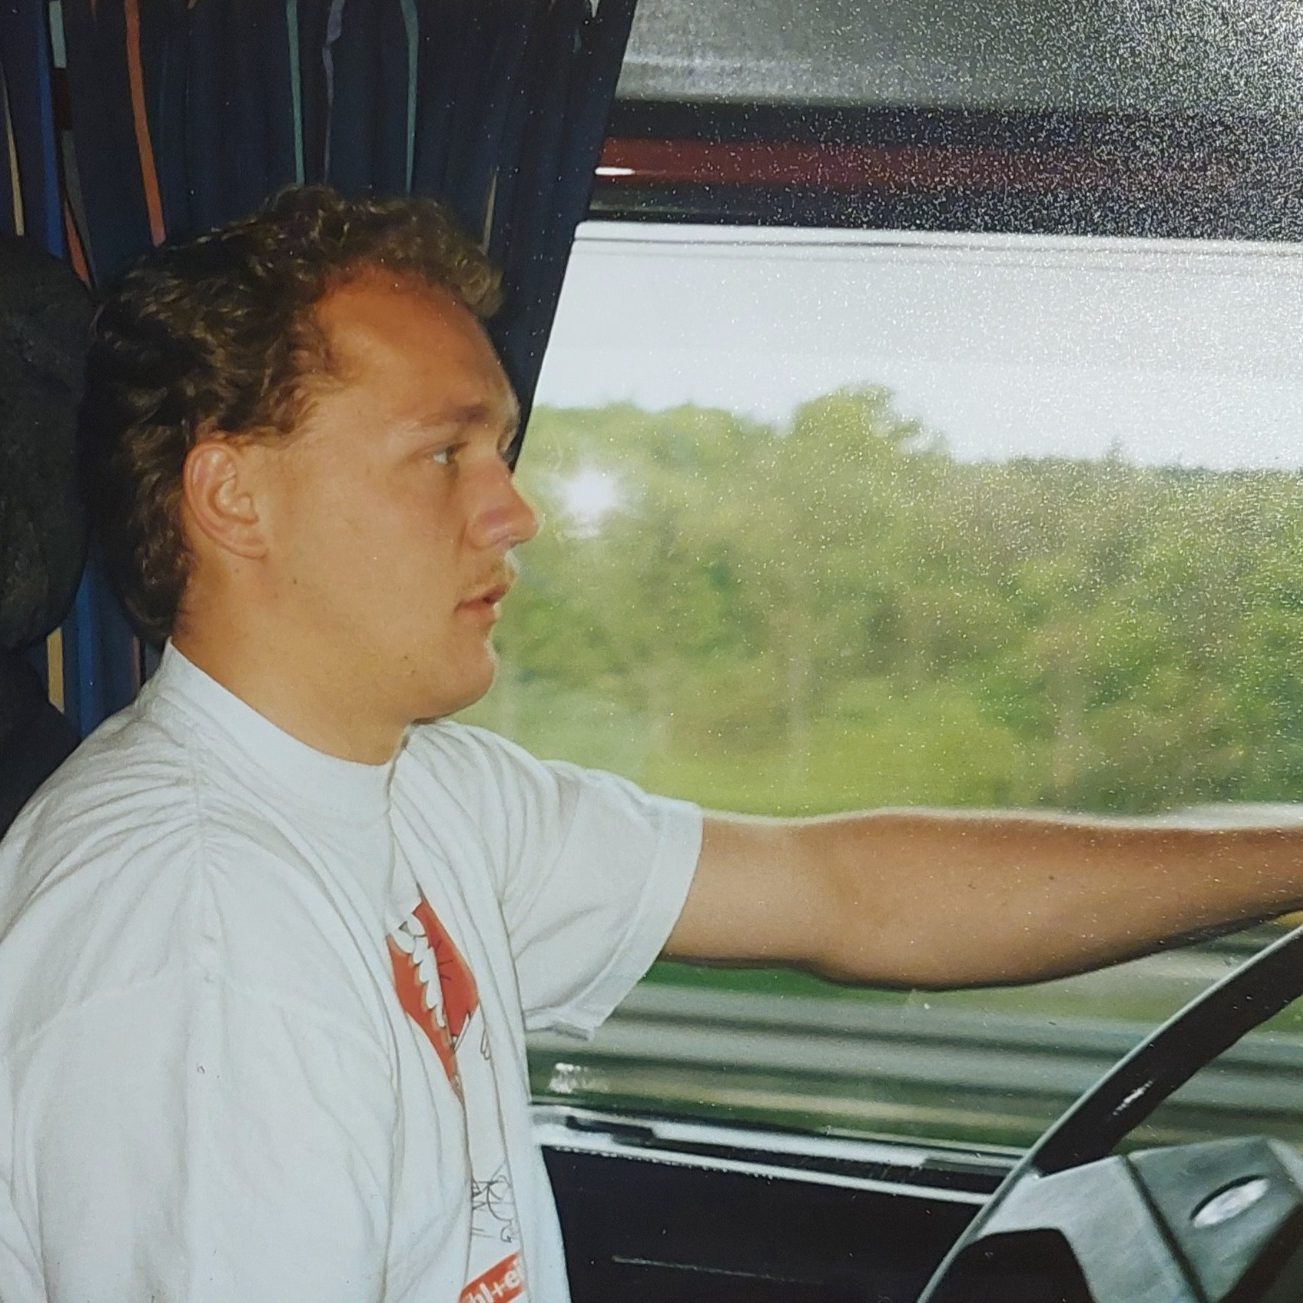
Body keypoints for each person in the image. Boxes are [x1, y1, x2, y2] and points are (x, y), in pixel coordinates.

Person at [1, 185, 1301, 1303]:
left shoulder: (419, 795)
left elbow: (848, 893)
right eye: (444, 454)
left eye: (499, 451)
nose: (515, 511)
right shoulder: (198, 940)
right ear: (236, 495)